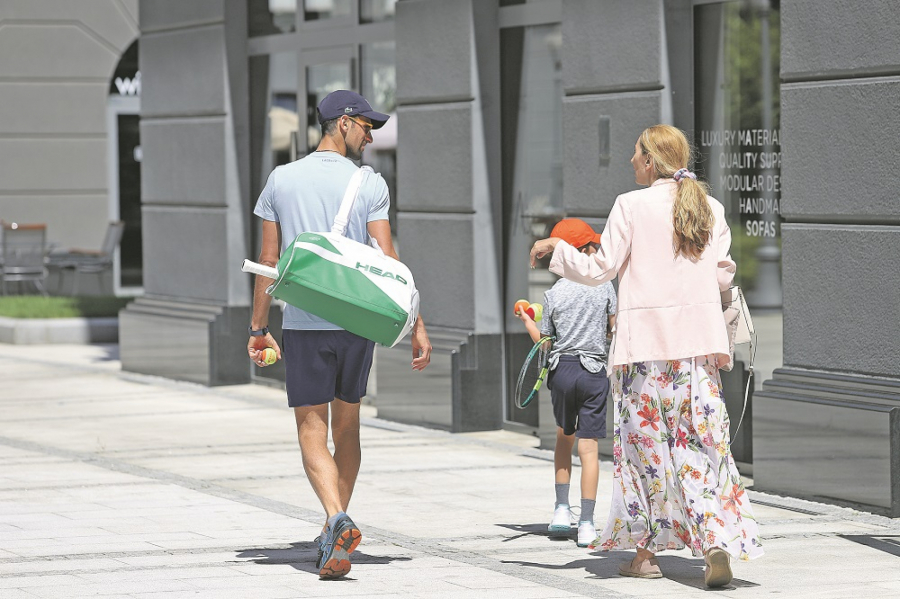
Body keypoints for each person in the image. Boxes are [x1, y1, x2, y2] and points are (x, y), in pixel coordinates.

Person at [529, 125, 763, 587]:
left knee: (645, 455)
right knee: (702, 449)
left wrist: (558, 248)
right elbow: (721, 278)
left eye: (636, 155)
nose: (631, 162)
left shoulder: (630, 206)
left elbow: (600, 270)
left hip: (645, 356)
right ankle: (715, 541)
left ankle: (645, 555)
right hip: (696, 355)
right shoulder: (709, 208)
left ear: (651, 161)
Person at [248, 90, 432, 579]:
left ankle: (335, 520)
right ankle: (336, 538)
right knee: (347, 426)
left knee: (312, 430)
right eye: (366, 125)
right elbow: (388, 263)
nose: (370, 135)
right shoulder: (369, 183)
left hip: (305, 322)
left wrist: (258, 326)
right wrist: (417, 323)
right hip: (358, 321)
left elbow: (269, 262)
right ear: (342, 123)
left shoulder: (280, 180)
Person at [517, 218, 617, 548]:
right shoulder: (604, 286)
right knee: (589, 450)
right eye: (593, 246)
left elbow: (544, 343)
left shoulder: (555, 292)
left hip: (562, 372)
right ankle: (587, 523)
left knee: (564, 440)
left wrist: (527, 319)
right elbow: (614, 328)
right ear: (584, 251)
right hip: (593, 373)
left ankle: (561, 510)